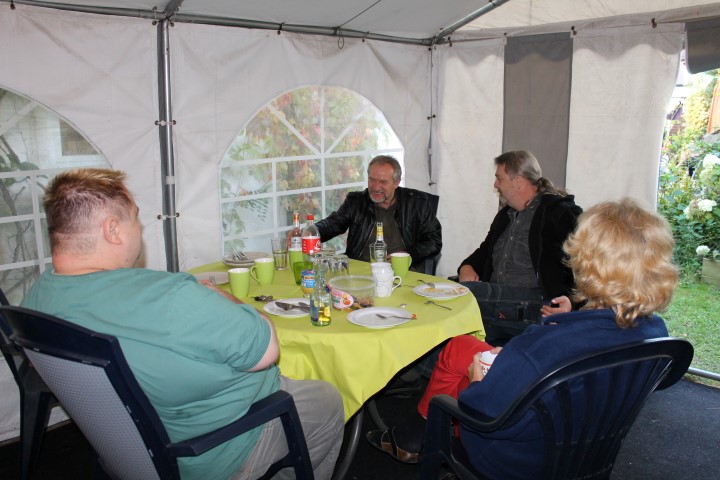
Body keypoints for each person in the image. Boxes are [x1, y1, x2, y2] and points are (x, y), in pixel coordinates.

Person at [21, 168, 344, 480]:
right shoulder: (169, 296)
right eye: (135, 217)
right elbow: (266, 350)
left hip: (125, 452)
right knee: (327, 399)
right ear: (112, 230)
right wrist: (224, 298)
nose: (139, 229)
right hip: (211, 449)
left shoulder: (36, 299)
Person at [367, 198, 678, 478]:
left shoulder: (542, 346)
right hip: (589, 444)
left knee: (459, 377)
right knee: (460, 347)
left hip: (516, 459)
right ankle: (414, 436)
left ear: (586, 263)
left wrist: (477, 381)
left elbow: (482, 409)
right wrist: (571, 314)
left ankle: (418, 436)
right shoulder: (657, 334)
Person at [458, 150, 582, 345]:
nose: (495, 184)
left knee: (463, 295)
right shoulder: (506, 215)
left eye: (499, 178)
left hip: (536, 305)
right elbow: (485, 250)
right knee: (449, 295)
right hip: (500, 305)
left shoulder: (558, 213)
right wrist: (468, 266)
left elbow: (586, 262)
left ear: (518, 181)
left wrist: (572, 302)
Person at [315, 155, 442, 272]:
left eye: (383, 182)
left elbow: (434, 240)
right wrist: (312, 231)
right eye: (372, 180)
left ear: (396, 183)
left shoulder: (417, 203)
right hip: (361, 269)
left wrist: (407, 255)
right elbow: (334, 223)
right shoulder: (356, 202)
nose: (376, 187)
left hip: (402, 270)